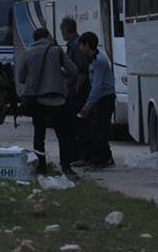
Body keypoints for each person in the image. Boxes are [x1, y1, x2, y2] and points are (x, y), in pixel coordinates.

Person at [18, 27, 77, 175]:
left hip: (38, 101)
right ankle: (66, 167)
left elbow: (21, 78)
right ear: (47, 36)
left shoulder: (28, 53)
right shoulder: (56, 51)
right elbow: (73, 70)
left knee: (39, 136)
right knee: (63, 135)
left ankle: (41, 167)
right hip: (58, 100)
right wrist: (64, 83)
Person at [78, 31, 115, 168]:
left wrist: (87, 105)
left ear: (87, 45)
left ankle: (101, 159)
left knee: (99, 130)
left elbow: (97, 86)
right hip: (99, 99)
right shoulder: (92, 60)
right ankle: (104, 157)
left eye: (81, 45)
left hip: (104, 98)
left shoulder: (99, 60)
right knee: (96, 128)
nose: (80, 48)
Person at [60, 17, 91, 164]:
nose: (62, 33)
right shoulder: (74, 44)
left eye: (62, 30)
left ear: (66, 30)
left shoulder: (75, 45)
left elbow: (81, 70)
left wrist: (77, 89)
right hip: (76, 89)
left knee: (78, 124)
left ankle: (80, 155)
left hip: (78, 91)